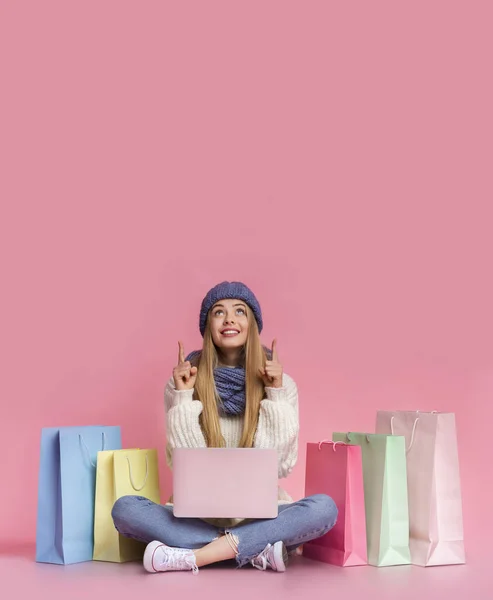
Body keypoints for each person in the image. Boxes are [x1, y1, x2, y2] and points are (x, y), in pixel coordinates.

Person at [111, 281, 338, 574]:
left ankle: (198, 555)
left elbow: (280, 466)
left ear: (252, 324)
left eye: (240, 311)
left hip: (262, 516)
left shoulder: (283, 384)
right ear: (208, 326)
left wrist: (276, 394)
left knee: (323, 508)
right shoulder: (183, 382)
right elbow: (181, 464)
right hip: (198, 518)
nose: (229, 318)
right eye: (219, 312)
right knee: (125, 509)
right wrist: (182, 398)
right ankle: (256, 548)